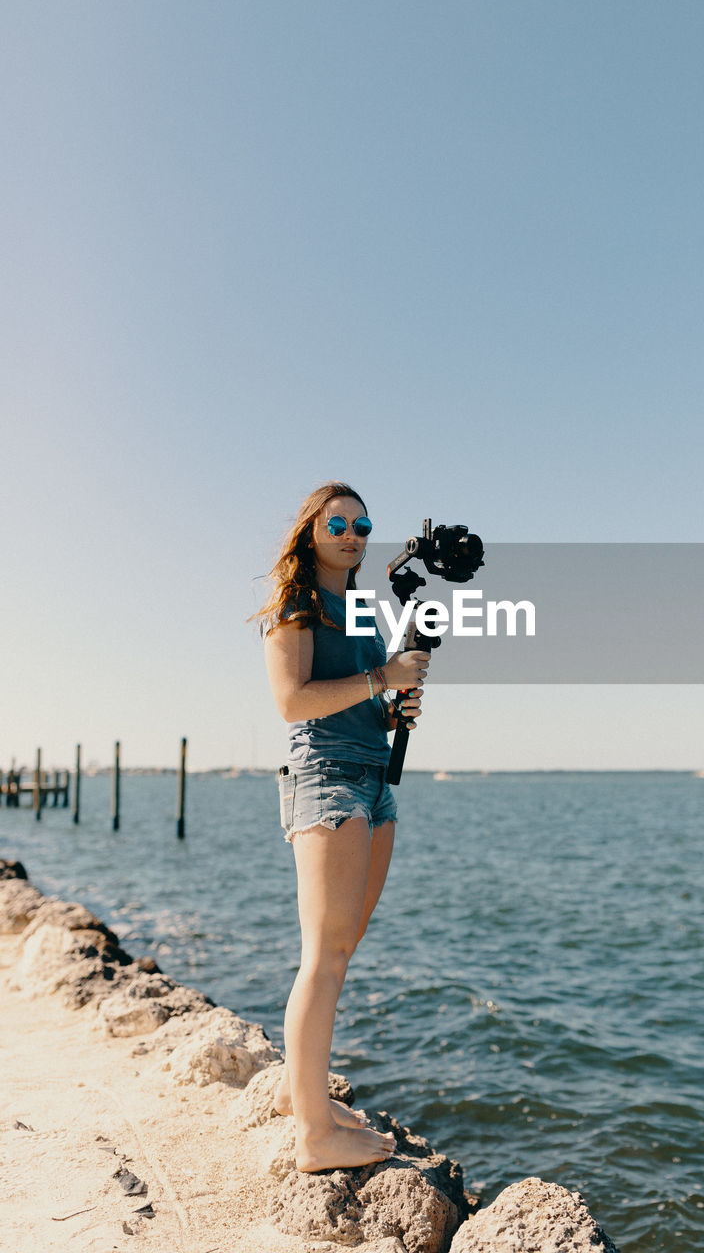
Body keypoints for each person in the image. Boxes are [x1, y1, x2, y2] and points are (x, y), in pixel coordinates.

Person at [256, 481, 430, 1172]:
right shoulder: (295, 607)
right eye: (339, 523)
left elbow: (360, 699)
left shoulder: (359, 606)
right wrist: (380, 677)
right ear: (311, 531)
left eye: (362, 524)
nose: (353, 533)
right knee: (322, 956)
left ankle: (305, 1098)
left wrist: (393, 708)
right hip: (325, 782)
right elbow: (293, 702)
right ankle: (313, 1136)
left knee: (342, 948)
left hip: (373, 782)